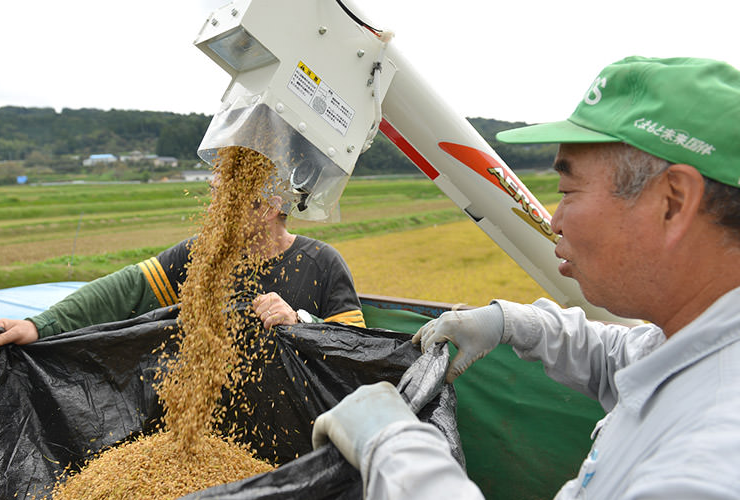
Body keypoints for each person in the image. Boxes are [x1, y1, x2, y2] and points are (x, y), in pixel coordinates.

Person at [311, 56, 740, 499]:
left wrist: (395, 454)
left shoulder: (713, 461)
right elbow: (621, 355)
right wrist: (511, 322)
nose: (555, 222)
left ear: (672, 202)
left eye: (568, 192)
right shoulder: (690, 337)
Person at [0, 171, 365, 347]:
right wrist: (42, 325)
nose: (212, 210)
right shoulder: (199, 255)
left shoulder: (323, 263)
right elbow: (126, 289)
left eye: (224, 200)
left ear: (267, 208)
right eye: (212, 195)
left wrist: (299, 321)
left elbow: (358, 348)